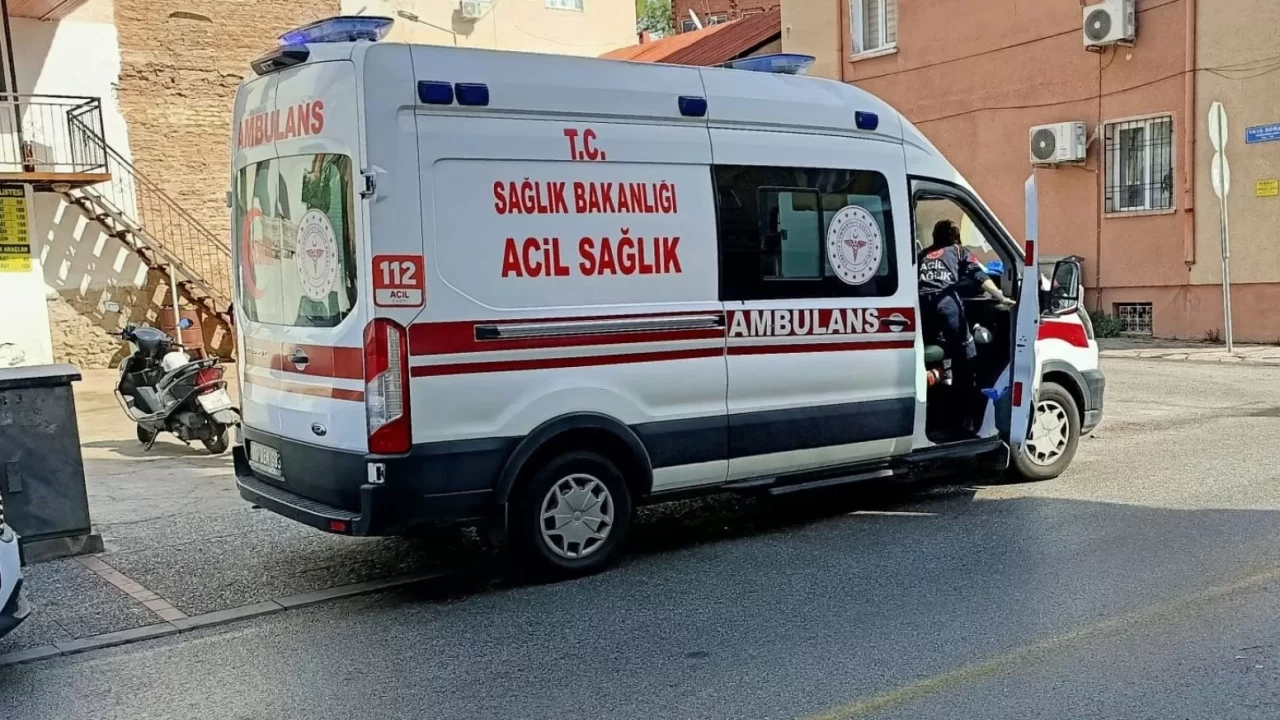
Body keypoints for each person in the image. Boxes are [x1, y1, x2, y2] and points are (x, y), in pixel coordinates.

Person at [919, 220, 1015, 433]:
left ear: (935, 237)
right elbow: (979, 276)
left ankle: (934, 404)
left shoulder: (922, 255)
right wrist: (1001, 296)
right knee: (967, 357)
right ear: (956, 238)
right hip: (946, 306)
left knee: (930, 354)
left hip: (922, 309)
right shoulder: (958, 251)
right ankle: (966, 417)